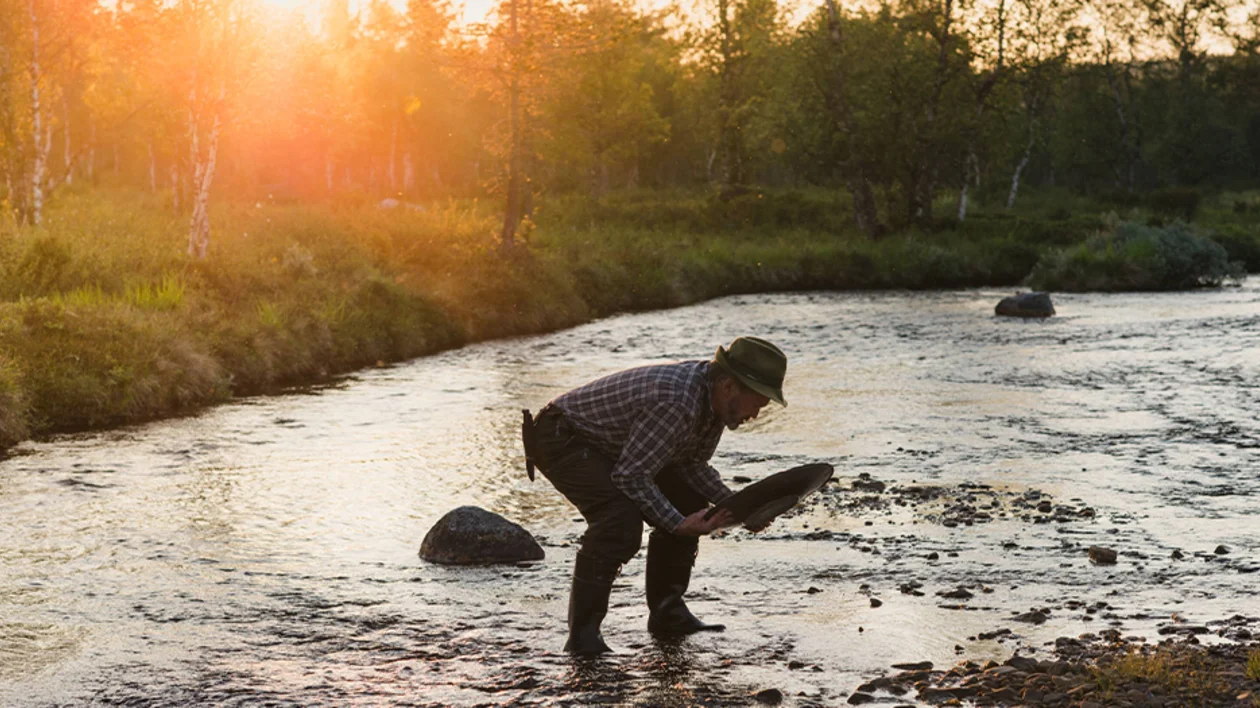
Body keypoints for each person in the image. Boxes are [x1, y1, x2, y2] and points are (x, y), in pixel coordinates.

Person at [521, 336, 787, 654]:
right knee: (618, 521)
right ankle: (582, 637)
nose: (755, 415)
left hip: (608, 445)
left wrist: (738, 507)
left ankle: (667, 612)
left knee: (687, 498)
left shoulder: (715, 403)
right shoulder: (676, 402)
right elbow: (631, 475)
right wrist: (677, 524)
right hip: (560, 437)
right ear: (730, 386)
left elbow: (689, 464)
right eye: (757, 404)